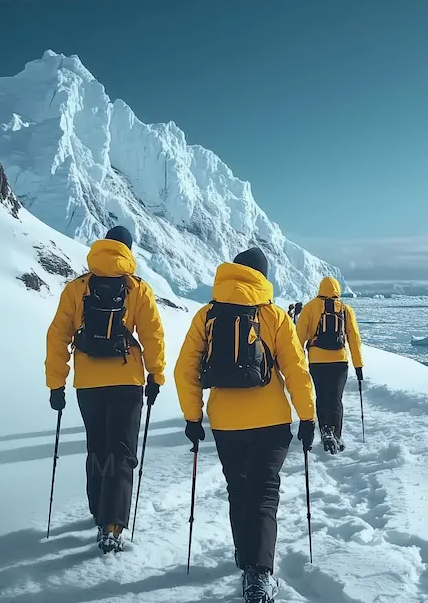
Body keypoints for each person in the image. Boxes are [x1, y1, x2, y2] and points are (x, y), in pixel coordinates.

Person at [174, 247, 316, 603]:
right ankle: (260, 574)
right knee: (264, 494)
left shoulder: (207, 315)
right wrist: (308, 416)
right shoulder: (274, 315)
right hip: (271, 422)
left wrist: (194, 417)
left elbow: (185, 370)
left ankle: (245, 556)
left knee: (239, 491)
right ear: (263, 277)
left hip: (226, 422)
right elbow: (297, 371)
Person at [45, 225, 166, 554]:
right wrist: (156, 375)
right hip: (127, 381)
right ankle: (112, 524)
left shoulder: (78, 288)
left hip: (88, 383)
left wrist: (57, 383)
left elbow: (58, 336)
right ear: (127, 251)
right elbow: (153, 334)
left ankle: (99, 509)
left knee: (97, 446)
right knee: (122, 451)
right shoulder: (136, 288)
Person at [294, 276, 364, 454]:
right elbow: (354, 339)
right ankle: (337, 434)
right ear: (337, 290)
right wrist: (358, 366)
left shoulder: (310, 307)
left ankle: (325, 430)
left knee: (322, 396)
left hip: (317, 362)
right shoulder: (346, 310)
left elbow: (298, 337)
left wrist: (298, 361)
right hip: (340, 362)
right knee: (336, 398)